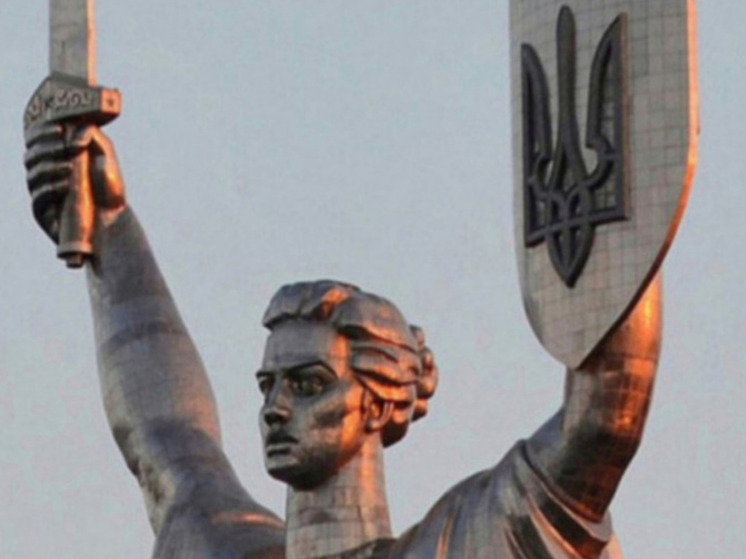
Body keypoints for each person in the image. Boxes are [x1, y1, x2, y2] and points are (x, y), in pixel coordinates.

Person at [24, 124, 659, 559]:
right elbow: (162, 437)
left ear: (378, 403)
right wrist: (108, 223)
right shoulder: (224, 547)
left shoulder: (462, 543)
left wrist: (609, 188)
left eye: (308, 385)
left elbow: (605, 418)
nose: (275, 409)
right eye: (268, 386)